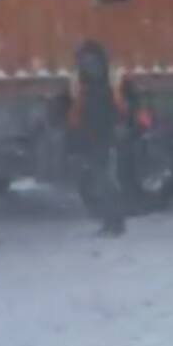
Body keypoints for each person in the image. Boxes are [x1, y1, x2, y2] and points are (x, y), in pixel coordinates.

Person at [67, 40, 129, 236]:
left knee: (105, 180)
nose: (89, 65)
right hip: (95, 135)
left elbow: (116, 108)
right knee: (103, 179)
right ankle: (112, 221)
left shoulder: (103, 84)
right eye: (86, 61)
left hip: (101, 135)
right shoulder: (93, 83)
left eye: (91, 61)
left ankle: (114, 222)